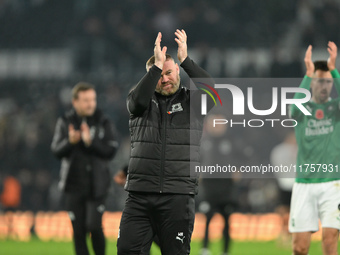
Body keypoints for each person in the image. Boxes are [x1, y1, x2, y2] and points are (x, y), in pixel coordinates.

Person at [117, 30, 213, 255]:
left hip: (177, 196)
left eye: (169, 72)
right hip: (139, 195)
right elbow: (136, 101)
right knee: (126, 251)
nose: (165, 78)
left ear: (178, 70)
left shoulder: (193, 103)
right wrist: (156, 68)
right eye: (160, 75)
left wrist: (187, 60)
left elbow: (214, 93)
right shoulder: (139, 101)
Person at [51, 82, 118, 255]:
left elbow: (111, 150)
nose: (90, 104)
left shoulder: (103, 121)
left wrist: (91, 142)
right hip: (73, 186)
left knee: (94, 226)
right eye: (86, 100)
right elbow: (56, 151)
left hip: (97, 186)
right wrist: (70, 142)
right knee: (79, 232)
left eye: (93, 99)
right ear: (75, 102)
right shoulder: (65, 122)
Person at [289, 42, 340, 255]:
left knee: (330, 241)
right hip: (304, 183)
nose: (323, 85)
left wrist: (334, 69)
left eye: (328, 82)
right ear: (312, 84)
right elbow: (292, 111)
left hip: (333, 184)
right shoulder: (304, 108)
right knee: (300, 248)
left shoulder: (335, 108)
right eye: (319, 81)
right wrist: (308, 74)